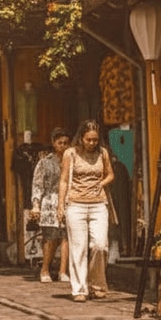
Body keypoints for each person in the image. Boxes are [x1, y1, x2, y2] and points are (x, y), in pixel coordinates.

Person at [57, 120, 115, 303]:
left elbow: (110, 174)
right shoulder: (70, 154)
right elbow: (64, 180)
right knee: (78, 248)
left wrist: (101, 183)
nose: (92, 143)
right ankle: (79, 288)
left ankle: (97, 284)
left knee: (100, 245)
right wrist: (60, 205)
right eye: (88, 139)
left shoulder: (103, 153)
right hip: (76, 204)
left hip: (99, 204)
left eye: (95, 140)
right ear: (81, 138)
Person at [29, 128, 70, 284]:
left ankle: (62, 271)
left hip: (68, 200)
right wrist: (36, 205)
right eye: (60, 143)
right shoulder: (45, 162)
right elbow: (37, 185)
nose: (63, 146)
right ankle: (45, 269)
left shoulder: (71, 160)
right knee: (50, 237)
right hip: (49, 202)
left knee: (66, 236)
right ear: (53, 143)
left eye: (66, 143)